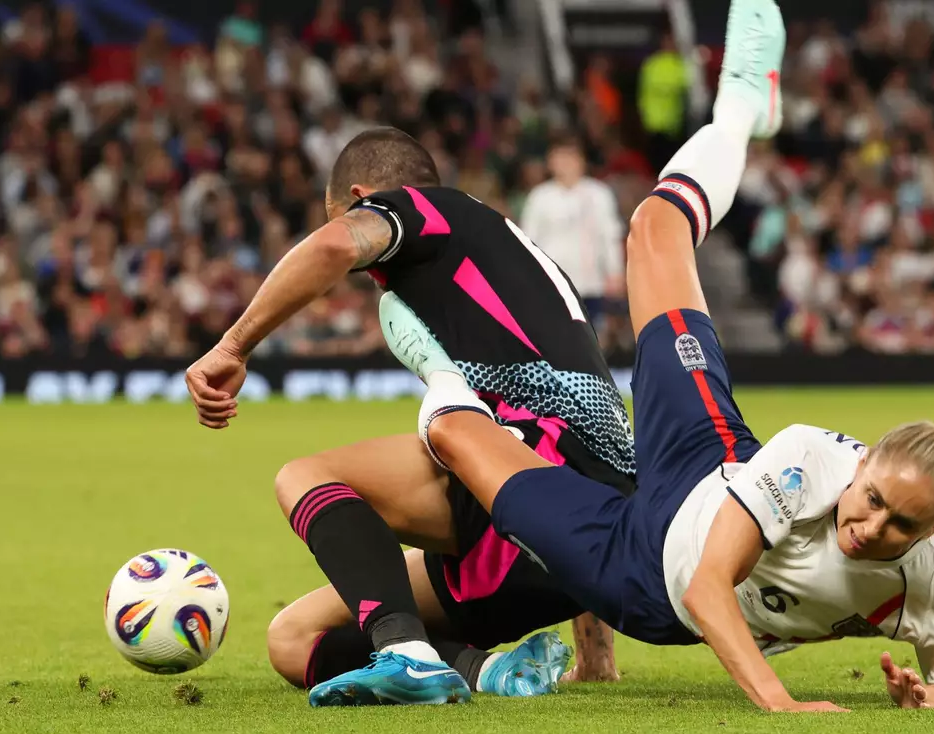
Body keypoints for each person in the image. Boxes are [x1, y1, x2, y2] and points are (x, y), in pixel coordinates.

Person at [362, 0, 934, 711]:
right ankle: (741, 109)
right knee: (653, 228)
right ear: (863, 464)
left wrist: (926, 700)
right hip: (709, 463)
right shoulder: (811, 458)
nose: (872, 526)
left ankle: (439, 368)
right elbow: (713, 583)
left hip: (640, 572)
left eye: (902, 526)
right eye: (874, 498)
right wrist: (779, 702)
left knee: (457, 434)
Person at [184, 126, 635, 704]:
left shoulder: (432, 210)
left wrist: (232, 347)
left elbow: (333, 247)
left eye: (338, 214)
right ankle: (485, 671)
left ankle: (407, 652)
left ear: (363, 195)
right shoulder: (517, 265)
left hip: (522, 503)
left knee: (305, 476)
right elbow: (584, 440)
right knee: (292, 639)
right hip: (585, 548)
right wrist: (596, 654)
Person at [519, 135, 625, 339]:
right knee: (557, 340)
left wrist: (615, 271)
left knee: (594, 340)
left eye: (571, 157)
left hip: (591, 283)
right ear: (551, 162)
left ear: (581, 160)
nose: (565, 163)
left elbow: (610, 235)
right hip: (552, 286)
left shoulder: (599, 194)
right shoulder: (539, 197)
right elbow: (527, 242)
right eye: (560, 157)